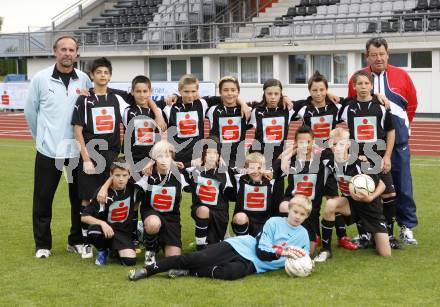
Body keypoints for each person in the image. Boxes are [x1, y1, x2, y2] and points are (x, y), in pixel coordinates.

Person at [127, 195, 311, 281]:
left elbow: (304, 258)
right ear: (289, 209)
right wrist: (283, 253)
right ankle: (150, 269)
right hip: (242, 247)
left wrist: (305, 266)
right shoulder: (274, 222)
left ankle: (189, 272)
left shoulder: (303, 235)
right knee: (199, 258)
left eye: (302, 214)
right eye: (295, 211)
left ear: (306, 217)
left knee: (230, 274)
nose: (297, 216)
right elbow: (261, 251)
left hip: (256, 265)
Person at [24, 35, 92, 258]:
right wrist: (41, 138)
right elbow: (31, 112)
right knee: (43, 199)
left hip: (75, 151)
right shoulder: (41, 79)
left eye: (71, 50)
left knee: (77, 199)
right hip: (48, 151)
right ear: (55, 51)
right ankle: (43, 245)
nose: (67, 53)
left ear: (76, 53)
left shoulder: (84, 79)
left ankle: (76, 241)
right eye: (63, 49)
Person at [348, 37, 418, 245]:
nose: (378, 58)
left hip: (398, 144)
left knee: (403, 187)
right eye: (373, 54)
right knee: (367, 187)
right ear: (367, 56)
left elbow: (412, 105)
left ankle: (406, 226)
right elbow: (352, 107)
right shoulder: (359, 77)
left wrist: (402, 128)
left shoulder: (402, 75)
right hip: (369, 149)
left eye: (381, 54)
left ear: (388, 54)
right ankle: (370, 230)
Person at [72, 57, 129, 258]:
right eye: (99, 72)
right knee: (88, 200)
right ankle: (87, 242)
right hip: (91, 156)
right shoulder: (84, 99)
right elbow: (77, 131)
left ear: (110, 76)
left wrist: (158, 109)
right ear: (92, 76)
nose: (102, 75)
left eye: (106, 72)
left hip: (111, 155)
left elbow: (142, 99)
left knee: (108, 198)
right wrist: (86, 158)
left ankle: (108, 239)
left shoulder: (118, 98)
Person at [292, 71, 356, 250]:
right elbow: (284, 105)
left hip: (330, 158)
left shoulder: (335, 106)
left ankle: (342, 235)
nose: (318, 93)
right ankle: (315, 234)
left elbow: (354, 101)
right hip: (310, 159)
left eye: (322, 90)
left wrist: (377, 95)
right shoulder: (303, 107)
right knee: (312, 197)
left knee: (333, 196)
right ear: (309, 91)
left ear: (327, 90)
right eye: (314, 90)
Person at [340, 70, 401, 249]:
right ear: (354, 86)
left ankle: (388, 234)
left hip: (378, 158)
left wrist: (387, 156)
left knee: (389, 194)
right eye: (360, 84)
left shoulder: (381, 106)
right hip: (357, 159)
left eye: (366, 83)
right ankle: (364, 235)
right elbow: (328, 100)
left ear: (372, 86)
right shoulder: (348, 107)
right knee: (359, 193)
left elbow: (390, 131)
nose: (363, 87)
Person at [314, 128, 392, 262]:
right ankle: (326, 250)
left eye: (341, 144)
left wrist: (371, 197)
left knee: (385, 253)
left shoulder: (360, 163)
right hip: (350, 205)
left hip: (370, 207)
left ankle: (372, 235)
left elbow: (383, 185)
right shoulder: (330, 164)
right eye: (334, 144)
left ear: (349, 144)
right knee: (331, 204)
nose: (337, 148)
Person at [135, 141, 189, 270]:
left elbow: (201, 171)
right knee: (154, 223)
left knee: (173, 259)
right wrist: (149, 164)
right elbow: (127, 180)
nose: (164, 160)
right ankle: (150, 251)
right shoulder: (147, 175)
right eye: (160, 156)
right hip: (152, 214)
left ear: (172, 158)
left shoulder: (180, 175)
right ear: (154, 158)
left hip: (172, 219)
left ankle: (157, 240)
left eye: (167, 156)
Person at [81, 157, 141, 266]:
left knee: (130, 261)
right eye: (117, 175)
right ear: (111, 175)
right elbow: (84, 217)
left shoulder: (134, 188)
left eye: (124, 175)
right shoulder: (102, 193)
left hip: (123, 232)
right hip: (107, 230)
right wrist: (102, 224)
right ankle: (102, 250)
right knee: (94, 231)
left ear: (129, 175)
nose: (121, 179)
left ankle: (115, 250)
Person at [248, 79, 295, 216]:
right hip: (260, 162)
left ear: (281, 94)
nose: (273, 97)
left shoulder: (288, 109)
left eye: (276, 93)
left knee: (277, 202)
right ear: (264, 94)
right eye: (269, 94)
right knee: (259, 201)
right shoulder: (256, 110)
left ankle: (276, 232)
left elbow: (309, 102)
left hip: (279, 162)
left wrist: (286, 98)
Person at [185, 136, 235, 250]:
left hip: (220, 214)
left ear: (219, 155)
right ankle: (200, 246)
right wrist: (192, 162)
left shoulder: (226, 172)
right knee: (203, 210)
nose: (212, 155)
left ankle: (221, 236)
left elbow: (233, 194)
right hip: (201, 210)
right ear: (202, 154)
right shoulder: (194, 170)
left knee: (215, 247)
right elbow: (176, 168)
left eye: (215, 152)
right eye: (208, 152)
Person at [232, 152, 275, 237]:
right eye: (252, 168)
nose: (255, 171)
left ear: (264, 168)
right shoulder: (240, 179)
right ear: (246, 168)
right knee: (240, 217)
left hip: (263, 222)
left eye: (259, 168)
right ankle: (242, 242)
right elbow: (226, 164)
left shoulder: (270, 180)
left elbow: (282, 160)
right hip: (244, 221)